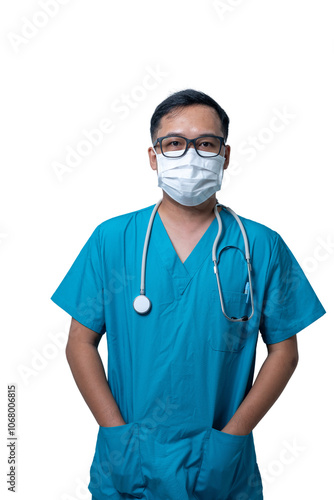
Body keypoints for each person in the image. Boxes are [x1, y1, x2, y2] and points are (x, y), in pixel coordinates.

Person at [50, 89, 326, 500]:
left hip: (221, 466)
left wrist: (233, 436)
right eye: (175, 144)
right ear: (153, 156)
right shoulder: (112, 240)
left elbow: (285, 352)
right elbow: (80, 342)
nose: (191, 155)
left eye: (206, 144)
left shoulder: (261, 246)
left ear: (225, 155)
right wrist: (114, 432)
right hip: (129, 462)